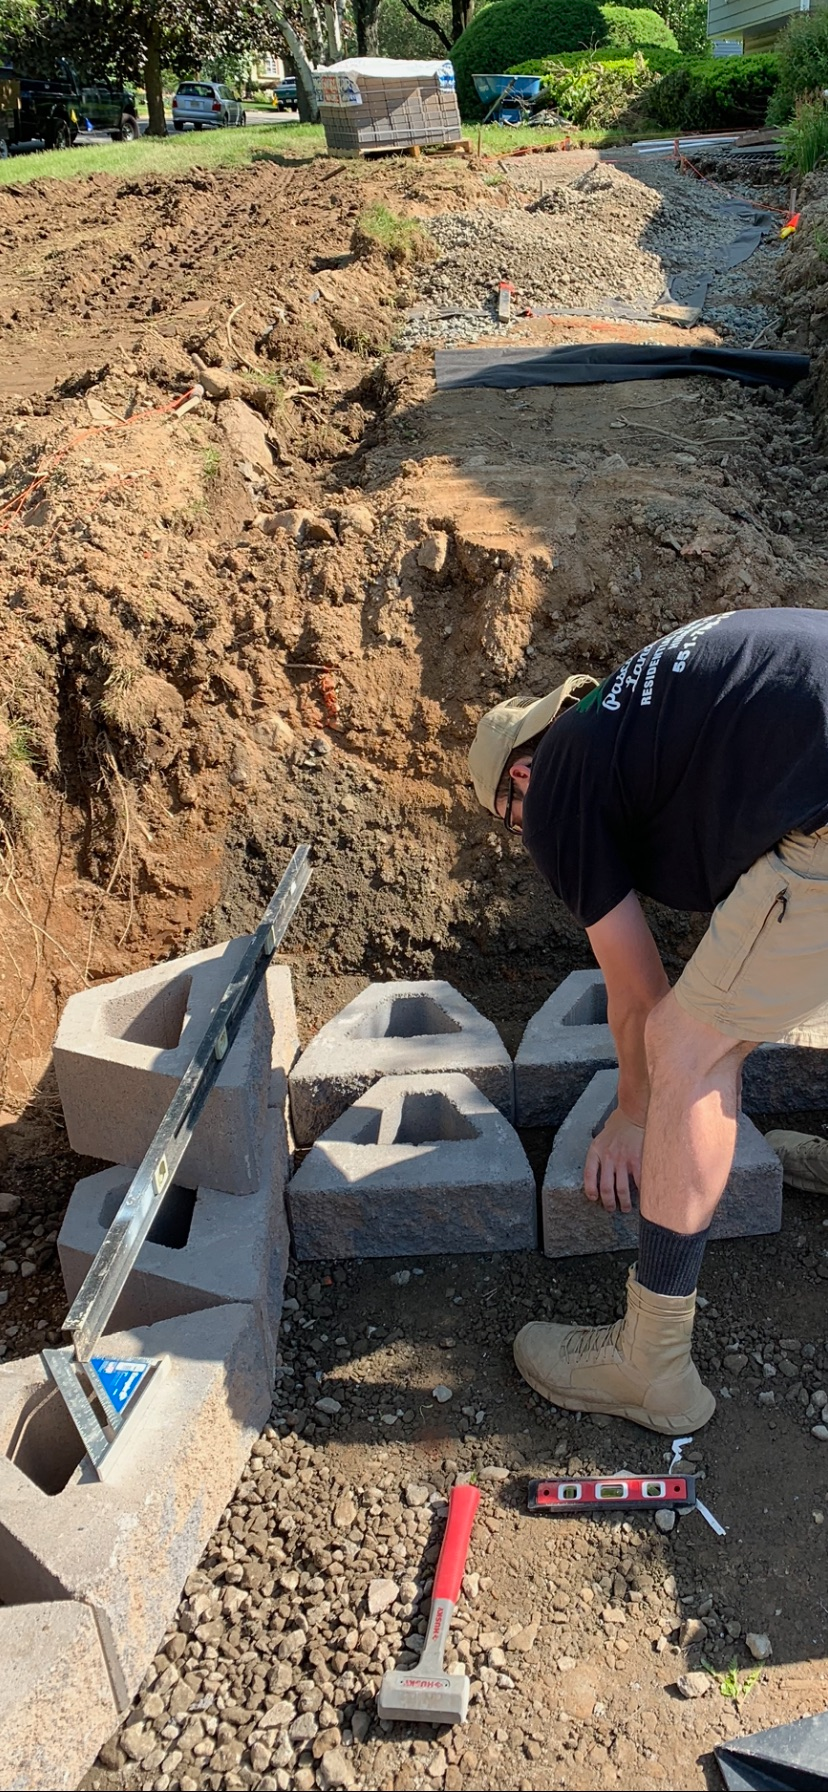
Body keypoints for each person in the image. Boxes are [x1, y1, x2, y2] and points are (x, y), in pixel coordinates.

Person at [468, 607, 828, 1434]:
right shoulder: (636, 714)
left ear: (519, 778)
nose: (528, 843)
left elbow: (638, 994)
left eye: (511, 826)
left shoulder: (558, 784)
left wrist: (634, 1113)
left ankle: (651, 1363)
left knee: (687, 1050)